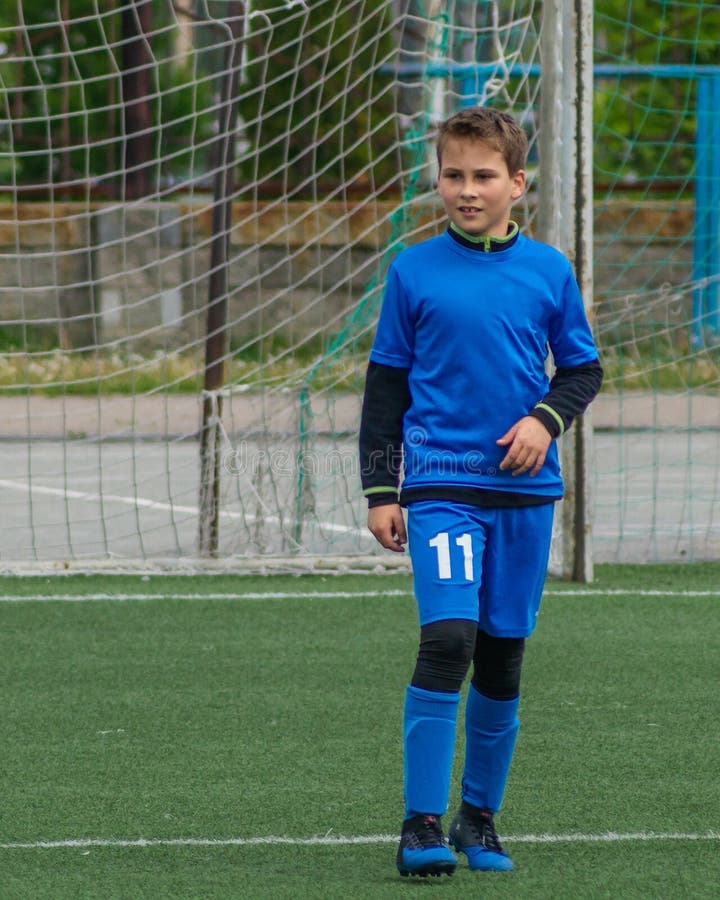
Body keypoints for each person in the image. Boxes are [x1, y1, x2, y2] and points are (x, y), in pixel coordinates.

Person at [358, 106, 603, 878]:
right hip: (441, 489)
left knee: (501, 660)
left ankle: (478, 819)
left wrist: (544, 421)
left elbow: (583, 370)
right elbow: (385, 386)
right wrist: (379, 488)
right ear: (438, 180)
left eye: (484, 176)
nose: (467, 190)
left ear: (517, 184)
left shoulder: (549, 272)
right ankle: (420, 824)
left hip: (525, 498)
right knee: (447, 641)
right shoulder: (414, 271)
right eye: (454, 175)